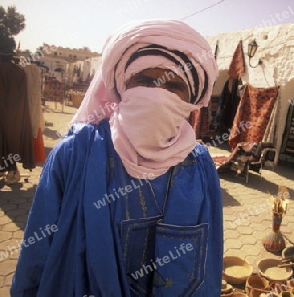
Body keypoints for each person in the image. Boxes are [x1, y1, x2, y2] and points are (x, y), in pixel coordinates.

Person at [10, 20, 223, 297]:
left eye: (173, 86)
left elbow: (209, 256)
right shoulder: (75, 153)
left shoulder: (200, 165)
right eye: (144, 81)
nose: (158, 95)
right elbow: (38, 246)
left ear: (191, 97)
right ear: (122, 85)